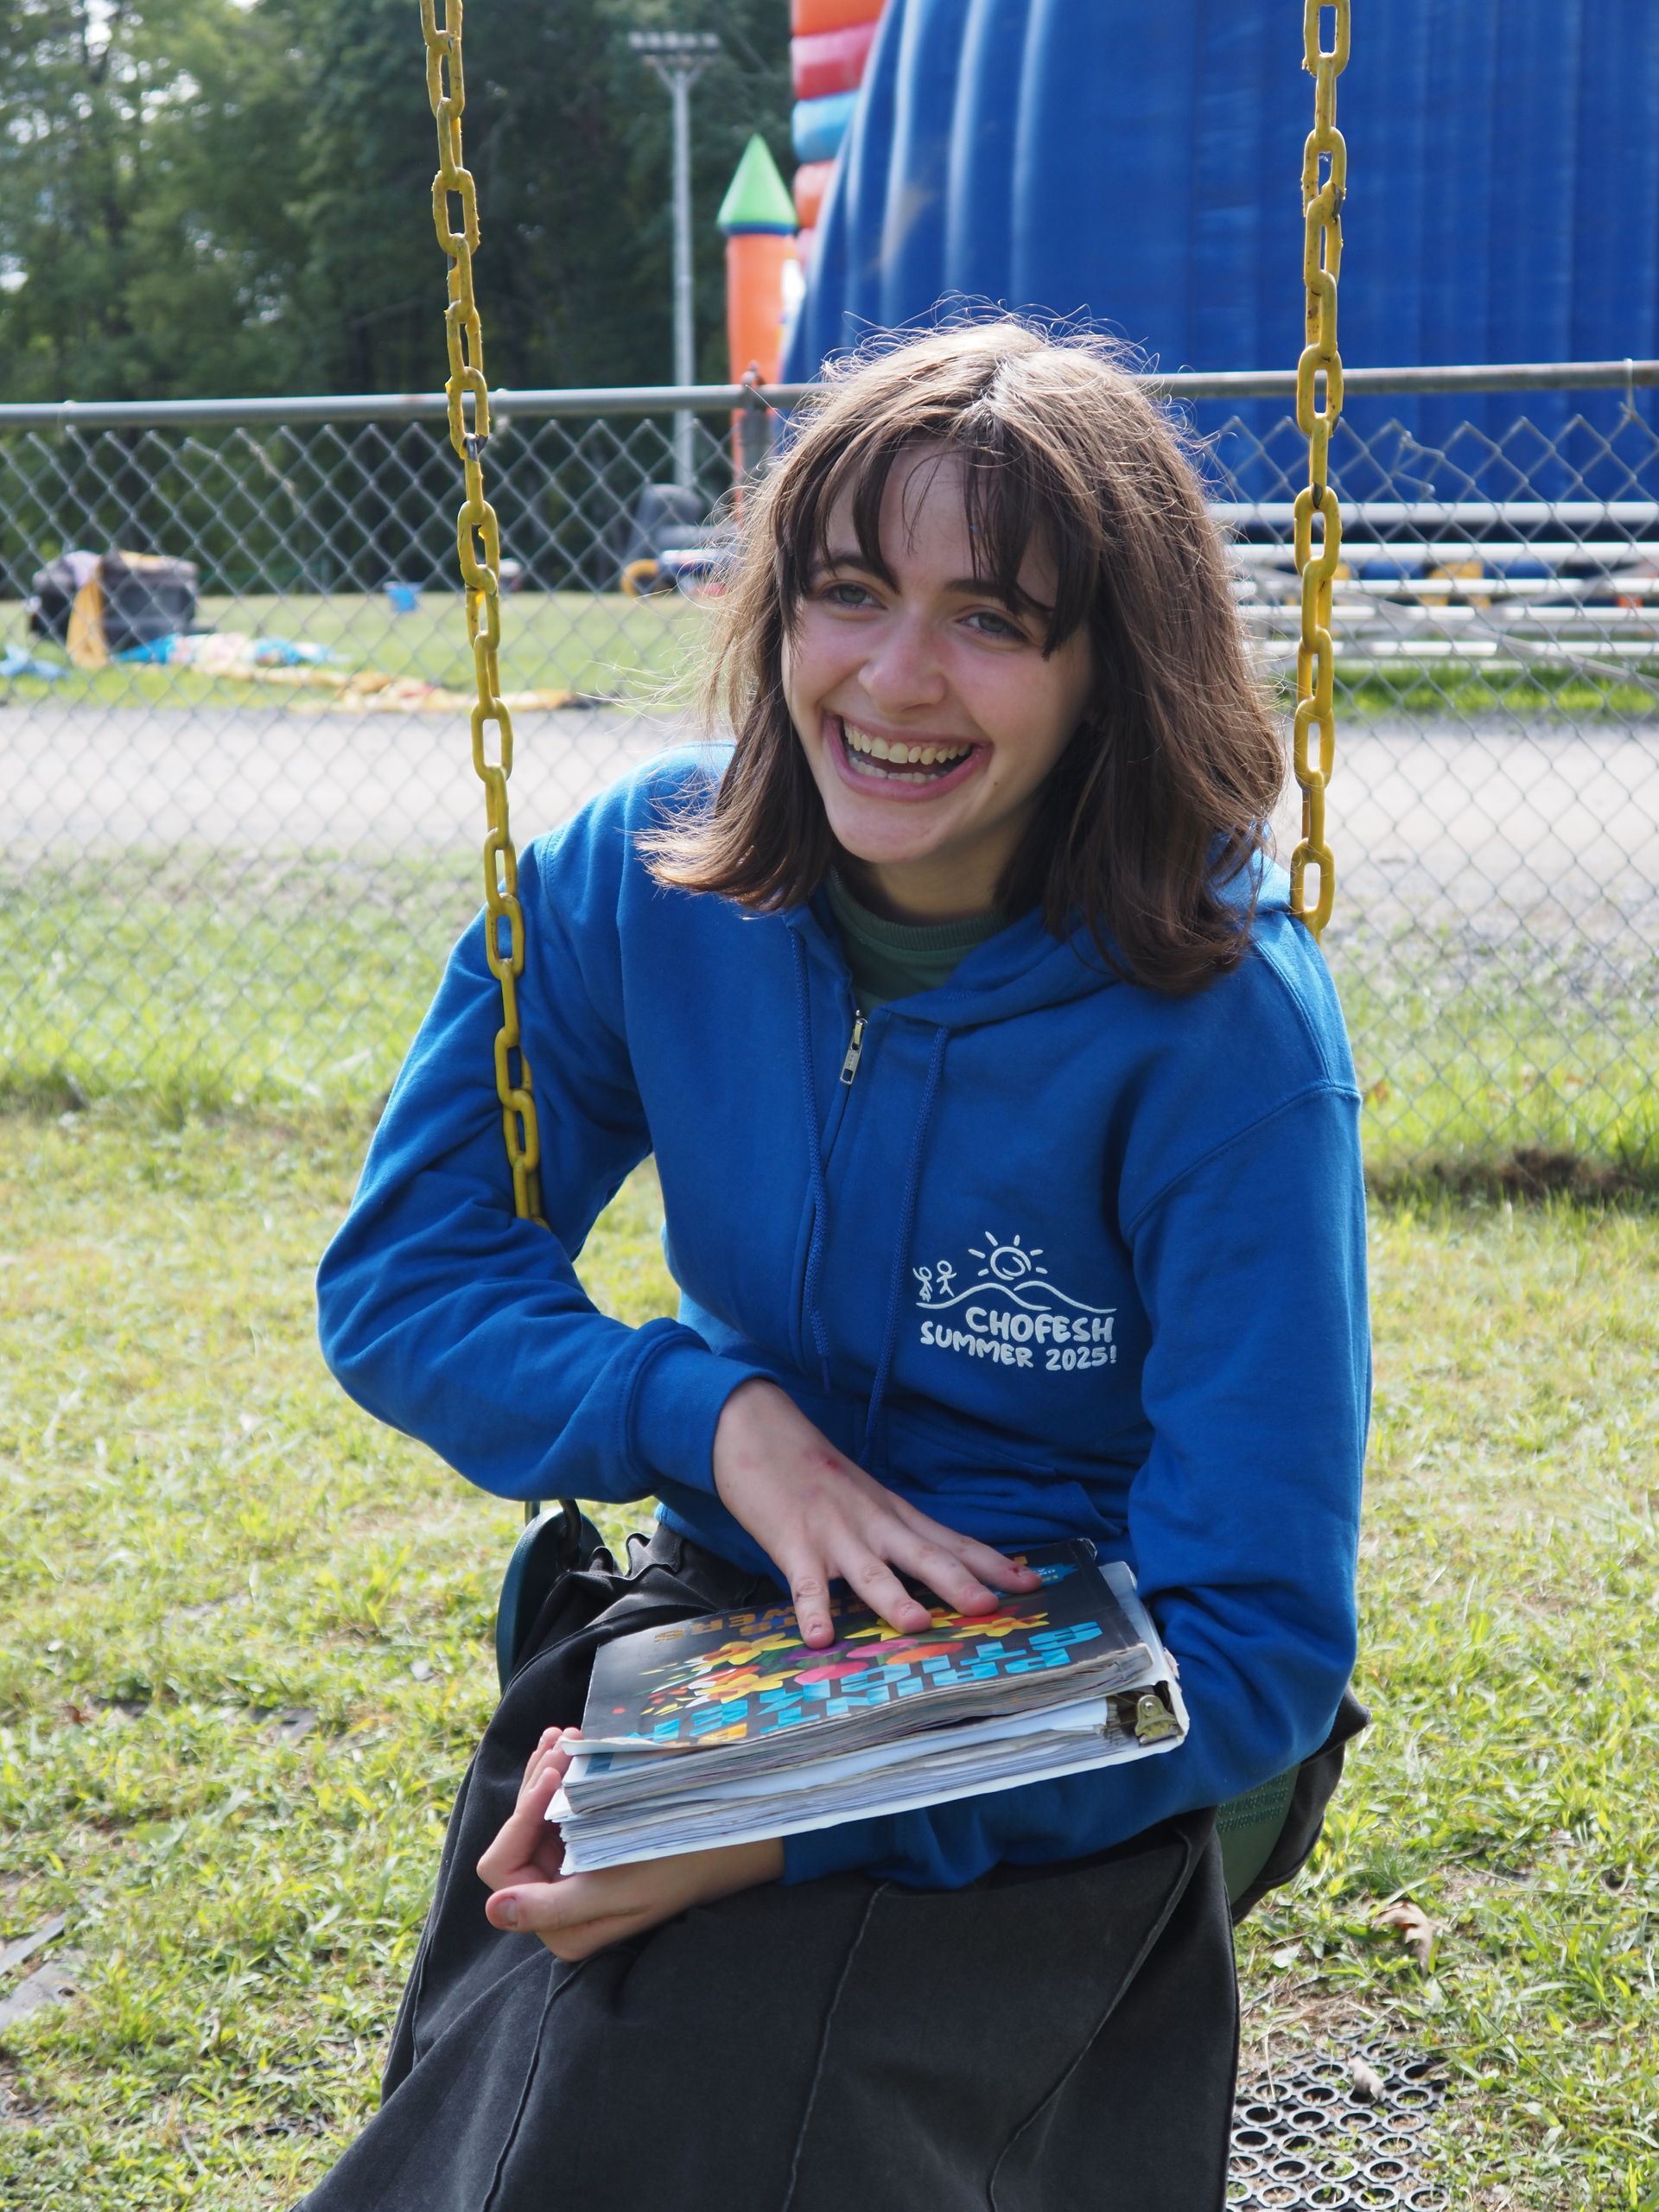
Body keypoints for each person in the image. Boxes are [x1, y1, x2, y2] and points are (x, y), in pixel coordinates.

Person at [302, 321, 1369, 2212]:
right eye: (849, 592)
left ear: (1110, 671)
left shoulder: (1218, 1030)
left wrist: (768, 1832)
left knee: (735, 2068)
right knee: (554, 2030)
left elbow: (1257, 1642)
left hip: (1078, 1670)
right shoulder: (643, 883)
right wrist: (716, 1419)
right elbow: (406, 1276)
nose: (893, 677)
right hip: (739, 1607)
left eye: (992, 619)